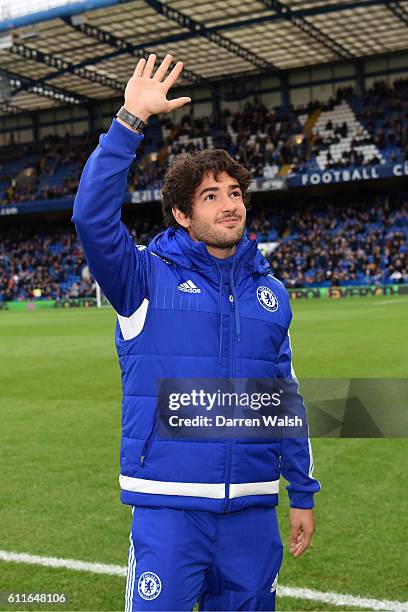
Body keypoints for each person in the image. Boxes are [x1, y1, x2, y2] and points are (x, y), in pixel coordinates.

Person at [72, 54, 320, 612]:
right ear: (182, 214)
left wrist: (301, 492)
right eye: (211, 196)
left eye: (235, 193)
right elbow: (91, 218)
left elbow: (285, 399)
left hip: (254, 517)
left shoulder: (271, 293)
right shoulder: (141, 278)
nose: (230, 204)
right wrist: (130, 120)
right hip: (170, 512)